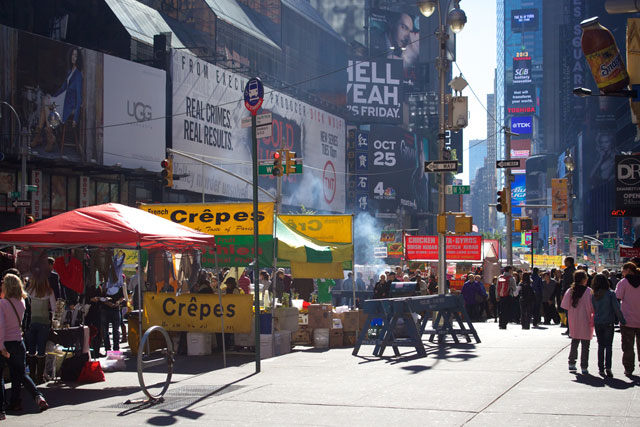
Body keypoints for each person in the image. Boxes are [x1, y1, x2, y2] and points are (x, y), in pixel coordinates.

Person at [0, 273, 49, 417]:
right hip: (18, 341)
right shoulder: (21, 301)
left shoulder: (2, 303)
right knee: (20, 374)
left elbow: (1, 326)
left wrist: (1, 346)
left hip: (5, 342)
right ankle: (36, 396)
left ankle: (1, 409)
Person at [592, 273, 625, 377]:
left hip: (598, 321)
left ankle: (600, 368)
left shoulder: (594, 294)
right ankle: (608, 368)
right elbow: (616, 308)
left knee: (600, 345)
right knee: (608, 346)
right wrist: (622, 320)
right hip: (608, 322)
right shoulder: (610, 293)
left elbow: (593, 308)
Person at [561, 270, 594, 374]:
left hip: (574, 320)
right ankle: (584, 366)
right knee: (585, 345)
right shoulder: (589, 291)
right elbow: (593, 307)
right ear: (584, 280)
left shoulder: (570, 290)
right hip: (586, 320)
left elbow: (565, 306)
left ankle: (571, 363)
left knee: (574, 342)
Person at [25, 276, 56, 385]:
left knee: (31, 349)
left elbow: (26, 307)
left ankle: (32, 375)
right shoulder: (49, 291)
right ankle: (40, 376)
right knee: (41, 348)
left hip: (32, 322)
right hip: (44, 322)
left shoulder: (29, 291)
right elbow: (54, 308)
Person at [614, 262, 640, 376]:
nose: (622, 272)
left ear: (628, 270)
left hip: (627, 319)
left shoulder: (623, 283)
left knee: (628, 346)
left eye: (623, 270)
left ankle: (629, 368)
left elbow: (617, 297)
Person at [101, 273, 125, 352]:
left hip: (115, 309)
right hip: (105, 309)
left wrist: (118, 302)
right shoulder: (104, 285)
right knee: (105, 330)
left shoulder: (119, 286)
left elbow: (122, 297)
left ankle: (116, 348)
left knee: (116, 329)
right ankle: (107, 348)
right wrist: (107, 303)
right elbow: (101, 297)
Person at [561, 257, 576, 334]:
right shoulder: (573, 271)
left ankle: (570, 329)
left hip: (569, 293)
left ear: (569, 262)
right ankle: (570, 328)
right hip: (571, 293)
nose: (564, 263)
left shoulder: (569, 271)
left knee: (568, 312)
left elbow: (566, 284)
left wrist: (563, 294)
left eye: (565, 261)